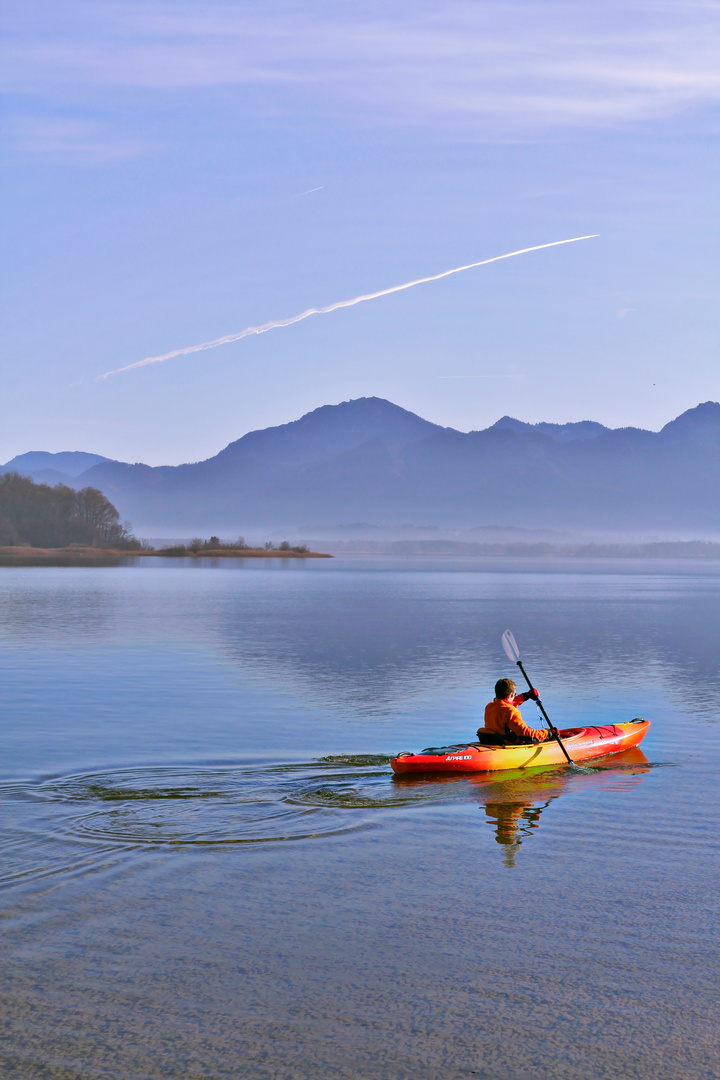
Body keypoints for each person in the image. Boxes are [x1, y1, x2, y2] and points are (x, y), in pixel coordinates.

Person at [477, 678, 552, 745]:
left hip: (493, 740)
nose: (514, 697)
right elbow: (525, 733)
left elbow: (507, 704)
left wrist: (527, 695)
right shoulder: (511, 711)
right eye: (514, 695)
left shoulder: (490, 706)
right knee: (539, 736)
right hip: (508, 743)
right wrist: (547, 733)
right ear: (510, 695)